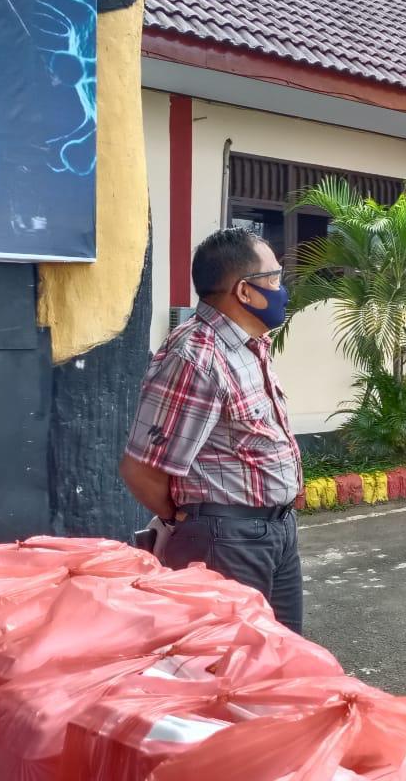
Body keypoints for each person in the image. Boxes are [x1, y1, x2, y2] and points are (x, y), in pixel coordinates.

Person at [120, 227, 305, 633]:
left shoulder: (251, 345)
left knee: (284, 656)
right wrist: (189, 522)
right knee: (231, 658)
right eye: (274, 278)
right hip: (226, 541)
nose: (282, 289)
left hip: (275, 533)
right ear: (245, 291)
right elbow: (141, 471)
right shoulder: (195, 357)